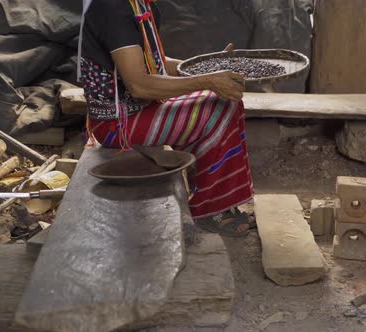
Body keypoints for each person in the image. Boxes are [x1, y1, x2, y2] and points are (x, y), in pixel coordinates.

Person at [79, 0, 254, 236]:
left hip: (139, 110)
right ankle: (211, 209)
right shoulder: (112, 7)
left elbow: (156, 65)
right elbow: (139, 85)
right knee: (219, 108)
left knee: (224, 101)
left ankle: (216, 199)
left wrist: (207, 69)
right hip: (116, 125)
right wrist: (209, 80)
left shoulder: (138, 4)